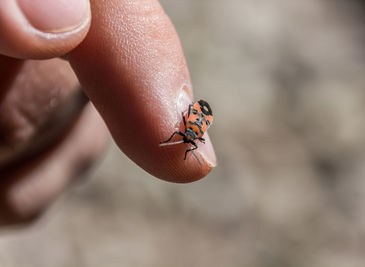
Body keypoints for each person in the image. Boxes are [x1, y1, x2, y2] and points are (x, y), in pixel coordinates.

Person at [0, 0, 217, 225]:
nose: (186, 139)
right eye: (188, 139)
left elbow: (187, 126)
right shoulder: (187, 131)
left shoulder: (188, 133)